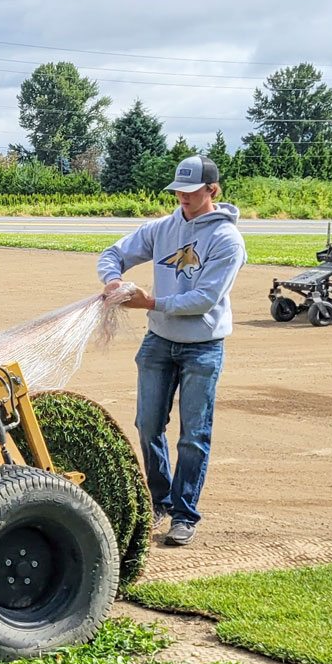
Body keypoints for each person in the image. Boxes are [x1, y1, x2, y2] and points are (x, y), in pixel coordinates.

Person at [97, 155, 245, 547]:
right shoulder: (161, 228)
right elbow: (112, 254)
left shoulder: (227, 240)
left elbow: (204, 299)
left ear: (212, 191)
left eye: (192, 192)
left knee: (193, 435)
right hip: (159, 342)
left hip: (202, 347)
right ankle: (158, 501)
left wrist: (151, 303)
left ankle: (184, 514)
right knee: (147, 425)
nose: (183, 197)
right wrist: (114, 281)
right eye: (178, 190)